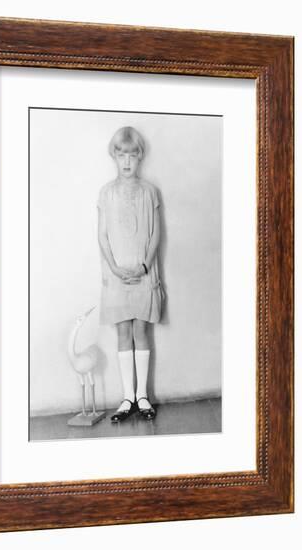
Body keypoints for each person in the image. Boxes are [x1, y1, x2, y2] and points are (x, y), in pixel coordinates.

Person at [97, 126, 164, 422]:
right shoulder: (106, 192)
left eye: (132, 156)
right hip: (117, 275)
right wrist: (114, 268)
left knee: (141, 330)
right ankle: (127, 397)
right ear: (114, 156)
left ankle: (142, 397)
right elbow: (102, 236)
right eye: (121, 155)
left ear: (140, 157)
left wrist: (144, 267)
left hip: (143, 272)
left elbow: (155, 234)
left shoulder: (150, 191)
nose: (126, 162)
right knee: (123, 332)